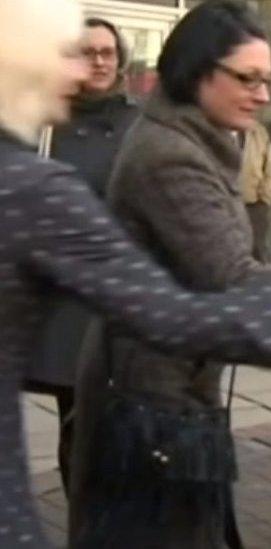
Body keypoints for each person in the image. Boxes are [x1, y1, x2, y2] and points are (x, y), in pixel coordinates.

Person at [0, 1, 271, 547]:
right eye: (248, 78)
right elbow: (186, 304)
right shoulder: (137, 162)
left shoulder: (181, 140)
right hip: (148, 411)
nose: (85, 71)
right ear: (198, 71)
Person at [25, 17, 140, 493]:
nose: (98, 62)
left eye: (106, 53)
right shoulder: (41, 126)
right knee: (80, 418)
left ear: (120, 61)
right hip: (65, 298)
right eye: (87, 52)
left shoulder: (139, 124)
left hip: (125, 293)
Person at [240, 120, 271, 262]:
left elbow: (270, 167)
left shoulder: (258, 132)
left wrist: (264, 198)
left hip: (254, 202)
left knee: (258, 250)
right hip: (223, 202)